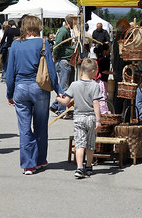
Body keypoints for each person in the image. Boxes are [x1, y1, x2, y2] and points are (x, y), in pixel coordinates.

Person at [6, 16, 61, 175]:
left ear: (23, 27)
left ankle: (28, 165)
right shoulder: (43, 43)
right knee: (41, 125)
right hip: (39, 88)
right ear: (38, 26)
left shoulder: (16, 44)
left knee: (24, 128)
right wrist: (58, 90)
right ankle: (40, 160)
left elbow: (10, 72)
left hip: (20, 88)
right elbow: (51, 70)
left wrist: (10, 93)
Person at [57, 58, 102, 179]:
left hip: (79, 118)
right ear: (92, 71)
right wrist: (98, 120)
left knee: (80, 143)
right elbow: (96, 103)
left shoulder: (74, 85)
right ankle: (88, 166)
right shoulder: (95, 85)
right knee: (90, 143)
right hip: (91, 117)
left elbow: (66, 102)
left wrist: (58, 98)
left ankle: (79, 167)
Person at [50, 15, 75, 117]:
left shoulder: (67, 31)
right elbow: (58, 45)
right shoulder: (63, 31)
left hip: (67, 61)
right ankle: (61, 110)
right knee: (64, 87)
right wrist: (54, 57)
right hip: (63, 61)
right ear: (70, 22)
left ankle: (56, 105)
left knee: (67, 86)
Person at [94, 43, 114, 114]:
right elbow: (104, 71)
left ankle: (99, 111)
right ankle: (103, 112)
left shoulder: (99, 59)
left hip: (98, 80)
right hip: (102, 81)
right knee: (103, 97)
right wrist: (113, 73)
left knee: (99, 96)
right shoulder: (104, 60)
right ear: (104, 51)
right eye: (108, 49)